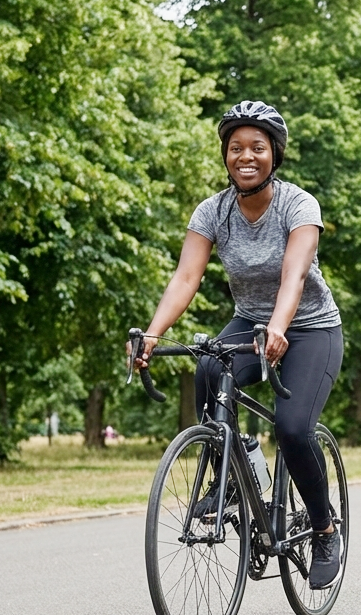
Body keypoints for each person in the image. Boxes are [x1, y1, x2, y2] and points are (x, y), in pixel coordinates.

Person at [135, 100, 345, 590]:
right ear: (225, 155)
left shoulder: (299, 205)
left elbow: (294, 275)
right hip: (250, 321)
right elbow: (186, 277)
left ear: (274, 154)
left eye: (257, 147)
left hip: (311, 328)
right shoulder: (212, 211)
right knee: (208, 368)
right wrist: (153, 332)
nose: (245, 156)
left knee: (294, 430)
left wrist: (278, 326)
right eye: (235, 148)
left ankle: (324, 528)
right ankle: (230, 468)